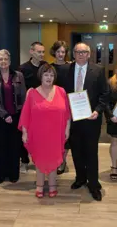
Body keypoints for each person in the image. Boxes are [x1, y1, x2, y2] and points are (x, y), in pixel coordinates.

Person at [63, 42, 109, 201]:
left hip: (91, 119)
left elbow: (104, 94)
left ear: (89, 54)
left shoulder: (98, 70)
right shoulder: (66, 70)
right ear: (73, 54)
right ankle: (80, 178)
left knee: (91, 152)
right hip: (73, 119)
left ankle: (94, 184)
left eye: (84, 52)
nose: (81, 54)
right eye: (77, 52)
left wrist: (97, 111)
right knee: (76, 151)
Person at [19, 63, 71, 198]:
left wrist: (67, 128)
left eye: (51, 75)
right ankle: (40, 185)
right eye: (46, 74)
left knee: (54, 158)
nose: (49, 77)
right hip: (38, 133)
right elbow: (26, 114)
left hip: (56, 133)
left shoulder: (61, 91)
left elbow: (67, 114)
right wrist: (24, 132)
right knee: (40, 159)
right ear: (40, 76)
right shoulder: (32, 93)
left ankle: (53, 184)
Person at [0, 49, 26, 184]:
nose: (3, 61)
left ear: (10, 61)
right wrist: (4, 115)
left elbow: (23, 96)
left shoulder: (18, 76)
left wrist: (20, 115)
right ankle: (1, 174)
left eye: (5, 59)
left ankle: (13, 174)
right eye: (0, 59)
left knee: (15, 146)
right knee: (1, 146)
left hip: (16, 116)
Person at [19, 41, 46, 173]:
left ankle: (38, 160)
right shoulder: (22, 68)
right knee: (26, 135)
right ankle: (24, 161)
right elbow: (19, 88)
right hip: (28, 108)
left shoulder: (45, 67)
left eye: (43, 52)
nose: (41, 54)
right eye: (39, 51)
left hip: (43, 108)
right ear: (31, 52)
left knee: (40, 136)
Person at [50, 40, 71, 175]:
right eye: (58, 51)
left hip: (68, 104)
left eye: (63, 52)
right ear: (54, 52)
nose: (61, 54)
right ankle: (55, 159)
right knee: (54, 134)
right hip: (53, 105)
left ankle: (63, 160)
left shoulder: (71, 67)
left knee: (66, 134)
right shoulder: (48, 67)